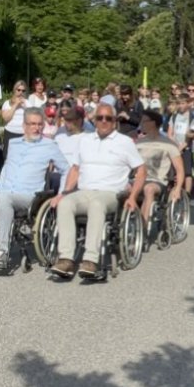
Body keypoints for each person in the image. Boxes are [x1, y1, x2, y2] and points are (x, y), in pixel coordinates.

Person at [0, 108, 70, 269]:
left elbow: (66, 170)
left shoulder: (50, 145)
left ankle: (2, 249)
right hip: (5, 192)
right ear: (24, 126)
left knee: (6, 198)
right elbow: (6, 168)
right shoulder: (13, 144)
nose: (37, 128)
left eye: (40, 124)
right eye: (32, 124)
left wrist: (61, 194)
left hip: (30, 197)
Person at [49, 102, 147, 279]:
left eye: (108, 118)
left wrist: (133, 197)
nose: (103, 121)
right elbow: (75, 169)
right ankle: (66, 259)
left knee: (96, 204)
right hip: (84, 190)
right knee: (65, 204)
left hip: (110, 193)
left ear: (115, 121)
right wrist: (63, 193)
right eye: (99, 118)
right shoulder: (85, 140)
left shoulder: (124, 142)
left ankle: (91, 260)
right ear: (93, 120)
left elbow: (141, 170)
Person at [136, 110, 184, 227]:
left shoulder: (169, 144)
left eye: (144, 121)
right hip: (137, 179)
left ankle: (143, 226)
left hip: (157, 180)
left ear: (153, 123)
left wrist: (177, 189)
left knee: (149, 189)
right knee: (121, 189)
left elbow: (179, 169)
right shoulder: (138, 142)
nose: (141, 124)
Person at [167, 93, 193, 194]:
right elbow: (170, 133)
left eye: (183, 103)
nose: (181, 106)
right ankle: (174, 190)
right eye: (179, 103)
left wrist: (182, 146)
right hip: (175, 147)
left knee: (187, 172)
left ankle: (187, 193)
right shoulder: (174, 116)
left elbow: (191, 134)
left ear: (188, 104)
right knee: (174, 171)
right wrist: (175, 146)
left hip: (186, 147)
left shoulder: (191, 116)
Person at [1, 80, 28, 160]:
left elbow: (31, 117)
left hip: (23, 134)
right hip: (10, 133)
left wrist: (24, 105)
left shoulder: (27, 103)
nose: (21, 92)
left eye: (23, 90)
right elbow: (6, 118)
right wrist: (16, 104)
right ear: (14, 90)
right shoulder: (7, 103)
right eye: (18, 90)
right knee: (8, 157)